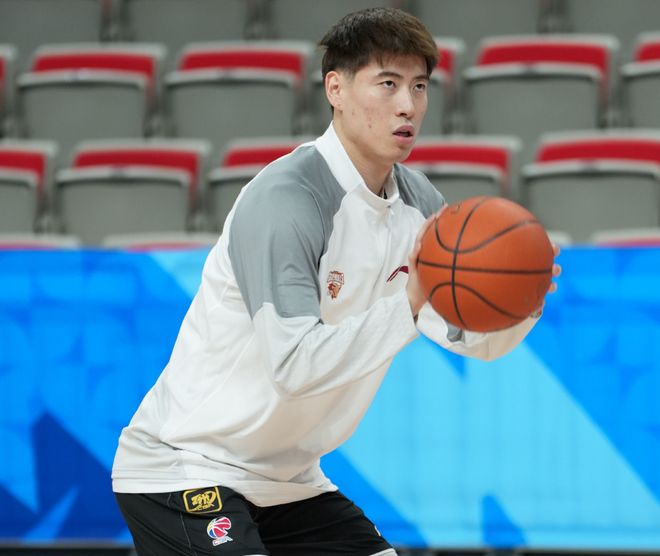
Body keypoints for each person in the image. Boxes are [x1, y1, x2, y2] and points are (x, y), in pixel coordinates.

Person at [112, 7, 559, 556]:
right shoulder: (285, 200)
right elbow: (294, 367)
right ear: (336, 90)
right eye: (388, 83)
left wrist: (523, 302)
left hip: (289, 481)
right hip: (183, 465)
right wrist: (409, 301)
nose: (407, 104)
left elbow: (471, 340)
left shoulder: (421, 206)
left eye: (419, 86)